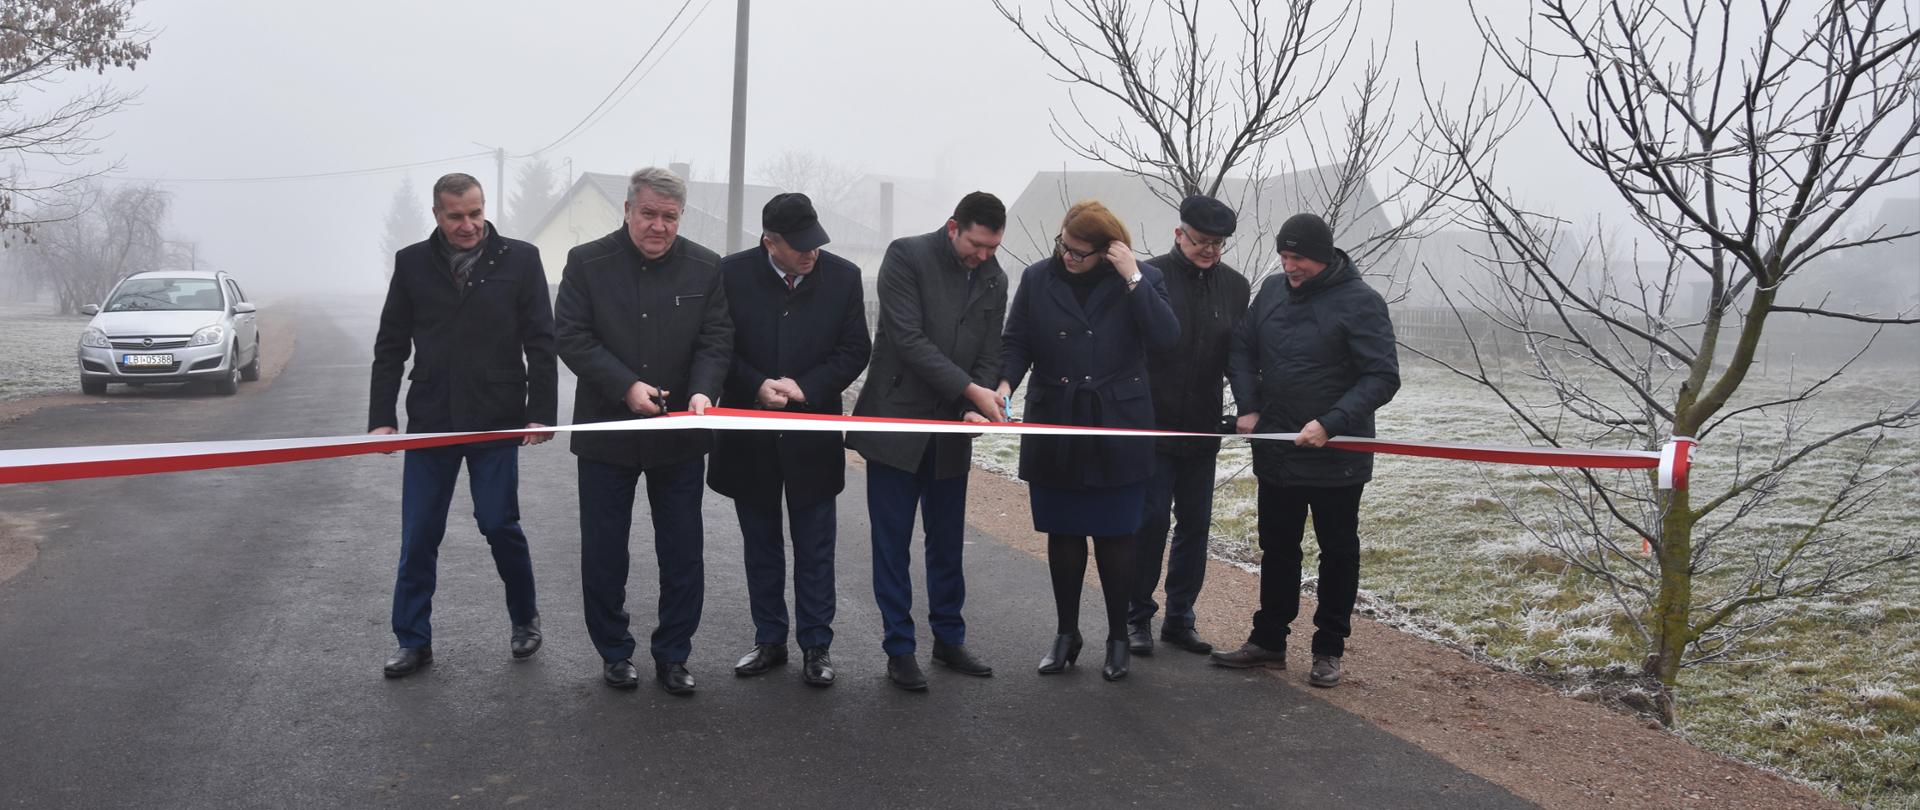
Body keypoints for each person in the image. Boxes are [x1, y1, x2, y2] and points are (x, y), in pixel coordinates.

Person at [367, 172, 557, 678]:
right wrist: (382, 419)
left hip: (496, 419)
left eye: (476, 212)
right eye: (456, 216)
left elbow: (541, 341)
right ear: (437, 214)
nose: (469, 224)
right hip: (430, 421)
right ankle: (412, 640)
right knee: (419, 534)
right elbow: (391, 346)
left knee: (499, 523)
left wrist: (542, 412)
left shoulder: (520, 259)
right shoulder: (411, 263)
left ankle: (525, 620)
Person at [554, 167, 733, 695]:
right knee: (605, 550)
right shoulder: (587, 263)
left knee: (682, 551)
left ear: (681, 217)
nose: (659, 226)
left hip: (678, 437)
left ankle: (674, 654)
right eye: (649, 214)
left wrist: (704, 390)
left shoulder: (706, 267)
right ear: (628, 210)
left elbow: (716, 339)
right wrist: (625, 387)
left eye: (669, 217)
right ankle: (614, 652)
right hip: (608, 432)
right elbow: (573, 337)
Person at [1215, 212, 1399, 688]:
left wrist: (1331, 423)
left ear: (1322, 256)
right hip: (1277, 449)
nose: (1289, 266)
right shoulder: (1273, 292)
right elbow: (1241, 346)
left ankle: (1328, 649)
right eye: (1284, 255)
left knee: (1338, 552)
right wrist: (1249, 406)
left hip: (1338, 457)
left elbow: (1382, 376)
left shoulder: (1362, 303)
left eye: (1298, 258)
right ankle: (1268, 642)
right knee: (1277, 548)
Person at [998, 201, 1179, 681]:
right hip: (1056, 417)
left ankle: (1118, 637)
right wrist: (1004, 385)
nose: (1068, 257)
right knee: (1064, 533)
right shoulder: (1038, 278)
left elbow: (1166, 338)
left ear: (1108, 250)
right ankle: (1066, 633)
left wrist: (1133, 277)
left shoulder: (1140, 279)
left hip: (1117, 421)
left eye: (1080, 252)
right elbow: (1017, 341)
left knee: (1117, 537)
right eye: (1065, 247)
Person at [846, 191, 1011, 691]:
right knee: (892, 543)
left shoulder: (995, 277)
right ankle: (900, 648)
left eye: (992, 248)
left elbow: (990, 348)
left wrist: (969, 404)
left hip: (951, 430)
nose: (984, 257)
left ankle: (949, 637)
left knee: (946, 542)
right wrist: (972, 390)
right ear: (953, 226)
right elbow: (907, 338)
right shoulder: (906, 256)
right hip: (897, 422)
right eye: (977, 245)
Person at [708, 193, 872, 687]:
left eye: (815, 242)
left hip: (811, 435)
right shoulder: (730, 275)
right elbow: (717, 344)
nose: (810, 253)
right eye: (798, 246)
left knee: (816, 547)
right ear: (769, 242)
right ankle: (769, 640)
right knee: (761, 544)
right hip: (750, 436)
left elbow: (855, 349)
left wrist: (808, 387)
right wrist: (755, 383)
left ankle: (817, 647)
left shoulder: (843, 277)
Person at [1127, 195, 1250, 657]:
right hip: (1152, 425)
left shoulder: (1236, 288)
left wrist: (1247, 405)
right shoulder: (1148, 276)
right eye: (1202, 241)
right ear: (1180, 234)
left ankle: (1180, 617)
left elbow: (1238, 355)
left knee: (1195, 526)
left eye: (1217, 245)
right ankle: (1136, 616)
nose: (1209, 251)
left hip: (1203, 426)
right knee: (1151, 521)